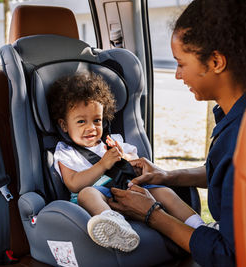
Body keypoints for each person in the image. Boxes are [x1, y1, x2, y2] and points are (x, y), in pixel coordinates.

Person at [107, 0, 246, 266]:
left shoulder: (241, 139)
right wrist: (166, 175)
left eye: (181, 64)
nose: (177, 75)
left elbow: (229, 257)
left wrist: (151, 214)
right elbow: (227, 177)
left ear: (216, 61)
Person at [47, 73, 195, 253]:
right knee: (87, 193)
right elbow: (73, 184)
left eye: (97, 120)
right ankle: (116, 227)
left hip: (128, 191)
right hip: (98, 197)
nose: (91, 127)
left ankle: (200, 227)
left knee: (164, 191)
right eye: (81, 121)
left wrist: (125, 158)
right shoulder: (67, 152)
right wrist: (102, 164)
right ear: (64, 125)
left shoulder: (113, 141)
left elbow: (137, 166)